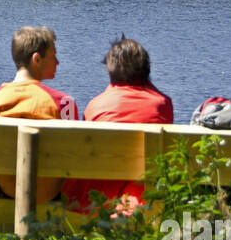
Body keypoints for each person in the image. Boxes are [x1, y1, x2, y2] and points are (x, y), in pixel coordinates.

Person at [62, 36, 172, 215]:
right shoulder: (163, 104)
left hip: (92, 198)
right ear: (145, 69)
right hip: (141, 195)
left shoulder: (96, 105)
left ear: (111, 70)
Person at [0, 25, 78, 203]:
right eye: (53, 55)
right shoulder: (64, 103)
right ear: (37, 59)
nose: (58, 62)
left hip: (7, 191)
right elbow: (74, 155)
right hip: (51, 193)